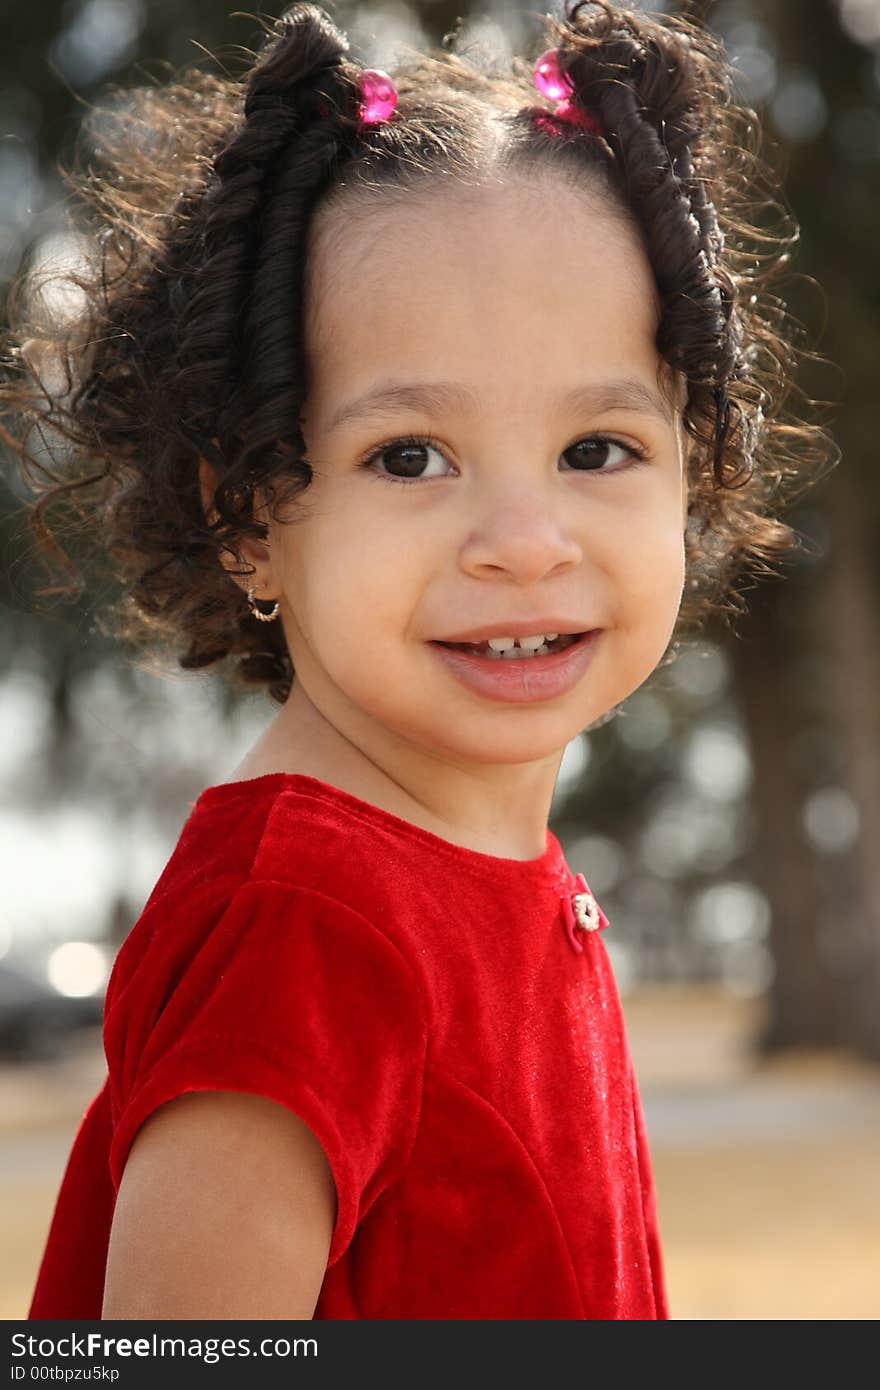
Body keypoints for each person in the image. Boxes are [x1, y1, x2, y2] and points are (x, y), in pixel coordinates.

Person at [4, 0, 833, 1320]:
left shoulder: (492, 876)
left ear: (695, 468)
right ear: (252, 519)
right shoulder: (307, 929)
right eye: (410, 457)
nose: (521, 540)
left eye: (597, 449)